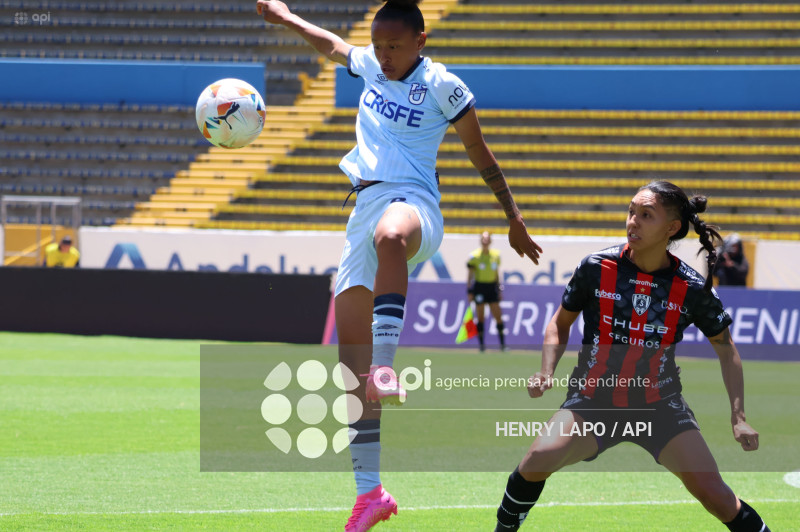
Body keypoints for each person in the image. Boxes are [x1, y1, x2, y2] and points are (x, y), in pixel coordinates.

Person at [256, 1, 543, 530]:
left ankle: (388, 365)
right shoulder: (368, 63)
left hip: (414, 205)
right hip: (361, 211)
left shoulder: (443, 86)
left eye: (394, 46)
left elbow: (480, 151)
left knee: (392, 236)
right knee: (349, 372)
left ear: (421, 40)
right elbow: (332, 45)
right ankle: (370, 495)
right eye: (378, 45)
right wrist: (288, 17)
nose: (383, 56)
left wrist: (514, 217)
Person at [493, 181, 769, 532]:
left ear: (671, 228)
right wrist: (546, 371)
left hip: (660, 406)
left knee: (716, 496)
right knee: (536, 460)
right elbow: (559, 325)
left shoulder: (691, 288)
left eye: (646, 215)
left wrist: (738, 416)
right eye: (631, 211)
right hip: (593, 401)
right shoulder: (596, 267)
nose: (633, 221)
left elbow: (726, 349)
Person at [467, 231, 508, 351]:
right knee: (480, 317)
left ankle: (502, 345)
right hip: (480, 287)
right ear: (480, 241)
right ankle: (481, 346)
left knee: (498, 316)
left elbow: (496, 273)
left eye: (487, 239)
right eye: (483, 239)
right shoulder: (474, 256)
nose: (485, 241)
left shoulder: (496, 255)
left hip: (491, 287)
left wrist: (499, 288)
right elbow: (470, 275)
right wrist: (470, 290)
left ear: (490, 241)